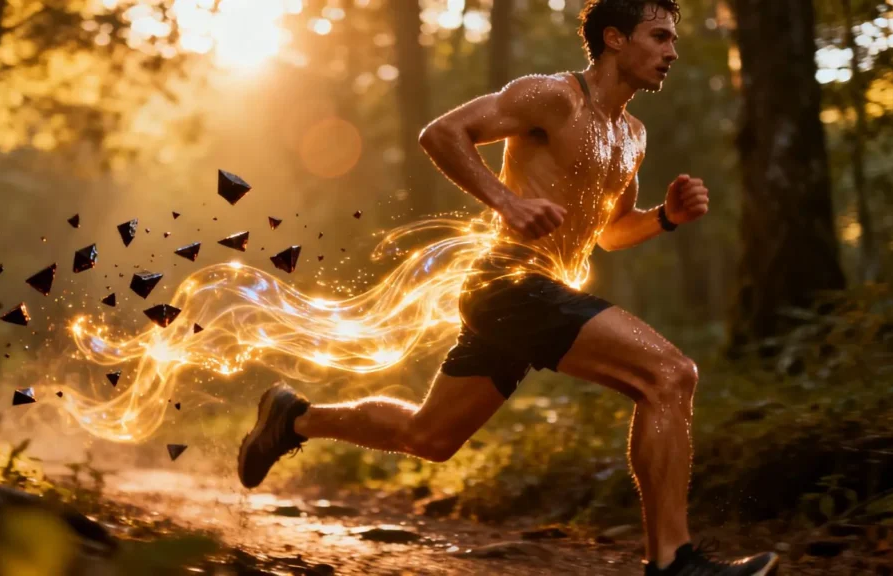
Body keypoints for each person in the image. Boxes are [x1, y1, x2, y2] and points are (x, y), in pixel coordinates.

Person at [238, 1, 779, 574]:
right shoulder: (552, 96)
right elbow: (441, 133)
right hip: (510, 286)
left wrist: (664, 217)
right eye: (660, 36)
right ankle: (673, 562)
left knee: (430, 436)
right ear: (616, 39)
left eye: (673, 39)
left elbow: (611, 234)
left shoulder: (632, 136)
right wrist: (508, 202)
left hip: (533, 296)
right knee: (670, 374)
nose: (672, 52)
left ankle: (294, 418)